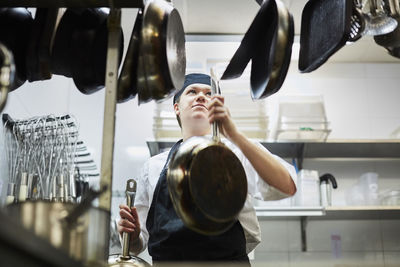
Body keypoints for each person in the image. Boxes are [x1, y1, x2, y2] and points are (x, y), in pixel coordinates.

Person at [118, 73, 297, 265]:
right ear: (177, 107)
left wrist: (234, 134)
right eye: (192, 91)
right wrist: (133, 234)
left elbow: (286, 186)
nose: (201, 96)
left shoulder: (236, 152)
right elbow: (137, 245)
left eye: (209, 94)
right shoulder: (153, 167)